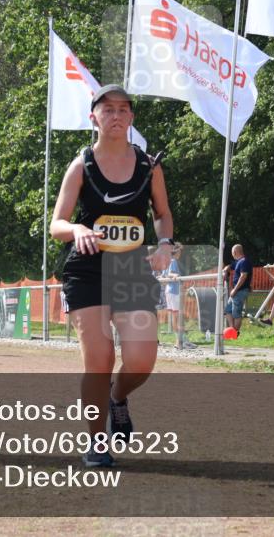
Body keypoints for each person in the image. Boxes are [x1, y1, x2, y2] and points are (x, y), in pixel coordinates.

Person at [50, 84, 173, 468]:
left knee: (141, 359)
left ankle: (117, 397)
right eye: (107, 110)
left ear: (131, 118)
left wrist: (166, 242)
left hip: (131, 268)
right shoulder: (81, 165)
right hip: (87, 268)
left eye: (123, 109)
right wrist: (78, 231)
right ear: (94, 118)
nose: (116, 115)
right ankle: (96, 442)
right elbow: (57, 224)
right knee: (99, 358)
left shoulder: (149, 167)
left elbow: (162, 214)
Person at [162, 244, 195, 349]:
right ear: (176, 252)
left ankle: (180, 340)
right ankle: (180, 341)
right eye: (179, 252)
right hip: (174, 292)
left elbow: (163, 275)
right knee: (177, 317)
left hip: (169, 291)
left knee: (174, 317)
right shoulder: (173, 261)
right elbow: (170, 274)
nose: (180, 254)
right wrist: (176, 276)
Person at [222, 244, 252, 333]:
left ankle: (235, 333)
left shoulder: (244, 261)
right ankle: (232, 330)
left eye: (232, 253)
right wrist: (225, 270)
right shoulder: (238, 262)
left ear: (235, 252)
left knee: (236, 314)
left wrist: (235, 289)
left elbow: (243, 276)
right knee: (228, 310)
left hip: (239, 291)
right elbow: (229, 266)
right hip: (237, 291)